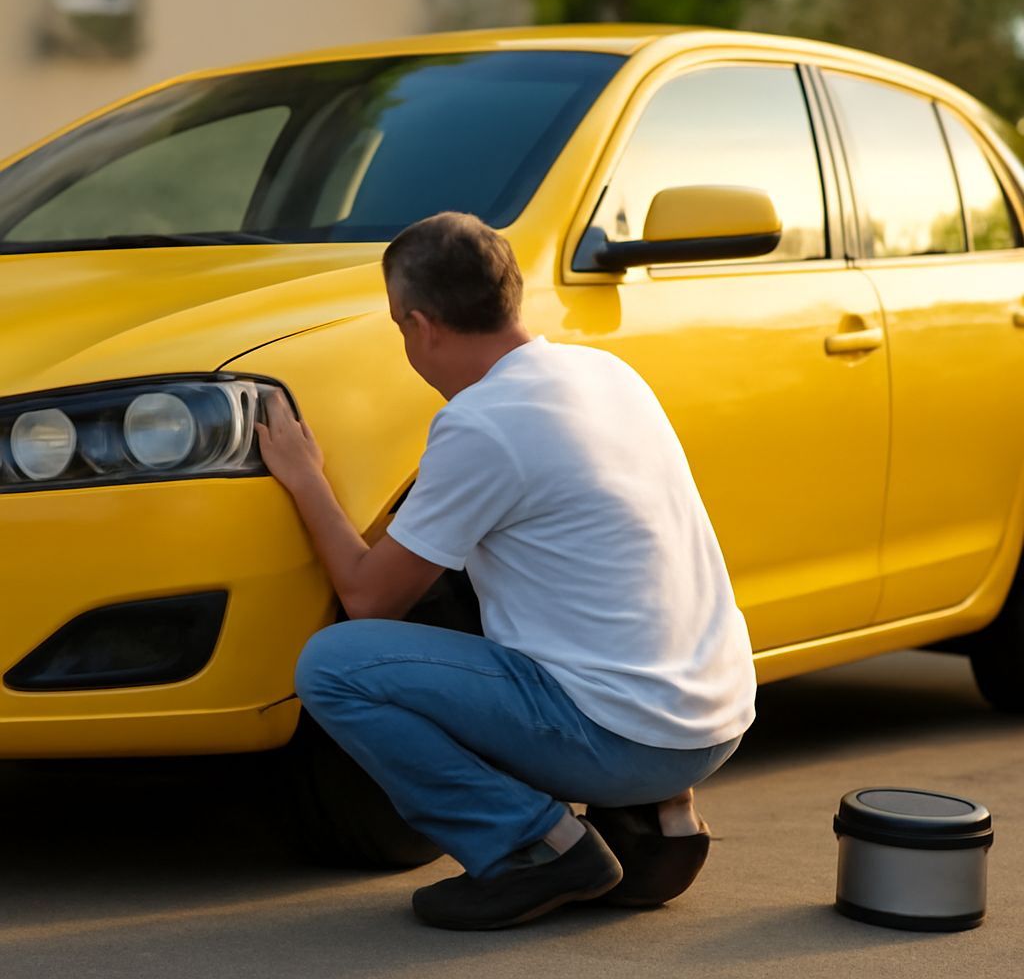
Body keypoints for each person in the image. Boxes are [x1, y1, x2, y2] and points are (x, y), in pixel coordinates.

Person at [253, 211, 757, 931]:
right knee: (513, 602)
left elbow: (368, 596)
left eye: (400, 328)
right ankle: (656, 828)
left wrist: (306, 481)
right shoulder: (604, 372)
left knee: (335, 664)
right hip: (717, 719)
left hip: (628, 740)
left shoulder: (485, 423)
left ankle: (533, 849)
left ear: (421, 324)